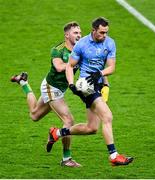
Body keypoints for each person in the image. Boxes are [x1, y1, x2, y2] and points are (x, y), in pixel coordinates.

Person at [46, 17, 133, 166]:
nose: (104, 35)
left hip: (99, 83)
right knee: (107, 116)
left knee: (91, 128)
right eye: (101, 32)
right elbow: (69, 66)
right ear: (93, 30)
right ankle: (114, 156)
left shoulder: (110, 43)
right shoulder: (82, 44)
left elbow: (111, 67)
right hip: (86, 85)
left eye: (106, 32)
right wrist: (72, 84)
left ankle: (57, 133)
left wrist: (100, 75)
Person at [10, 22, 83, 167]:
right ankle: (66, 159)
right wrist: (72, 63)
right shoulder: (58, 50)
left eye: (80, 32)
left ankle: (23, 82)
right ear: (67, 35)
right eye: (75, 33)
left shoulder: (81, 49)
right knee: (68, 121)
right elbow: (59, 66)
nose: (79, 35)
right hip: (51, 88)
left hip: (58, 89)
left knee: (34, 115)